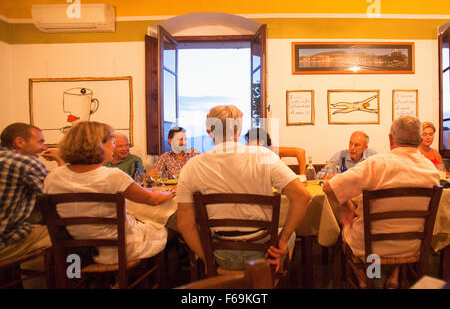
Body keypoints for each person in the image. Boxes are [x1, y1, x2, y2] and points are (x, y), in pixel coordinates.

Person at [176, 105, 312, 271]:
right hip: (264, 253)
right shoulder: (264, 156)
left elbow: (184, 224)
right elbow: (302, 197)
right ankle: (270, 276)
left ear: (209, 131)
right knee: (290, 235)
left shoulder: (191, 166)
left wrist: (207, 260)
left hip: (223, 255)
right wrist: (282, 240)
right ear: (239, 129)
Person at [323, 115, 440, 288]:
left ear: (391, 139)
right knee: (400, 228)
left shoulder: (376, 165)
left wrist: (347, 207)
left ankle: (366, 281)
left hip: (370, 245)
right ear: (419, 139)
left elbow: (328, 188)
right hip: (413, 245)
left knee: (346, 232)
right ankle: (392, 278)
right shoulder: (432, 170)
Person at [43, 121, 174, 265]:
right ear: (97, 144)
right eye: (112, 141)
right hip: (117, 249)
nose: (113, 145)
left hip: (78, 250)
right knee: (163, 229)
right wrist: (172, 192)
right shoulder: (112, 176)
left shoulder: (53, 176)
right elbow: (153, 199)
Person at [0, 123, 63, 261]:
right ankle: (71, 277)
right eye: (40, 142)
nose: (44, 148)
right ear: (20, 142)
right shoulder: (26, 162)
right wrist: (61, 160)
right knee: (67, 233)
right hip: (4, 241)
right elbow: (61, 194)